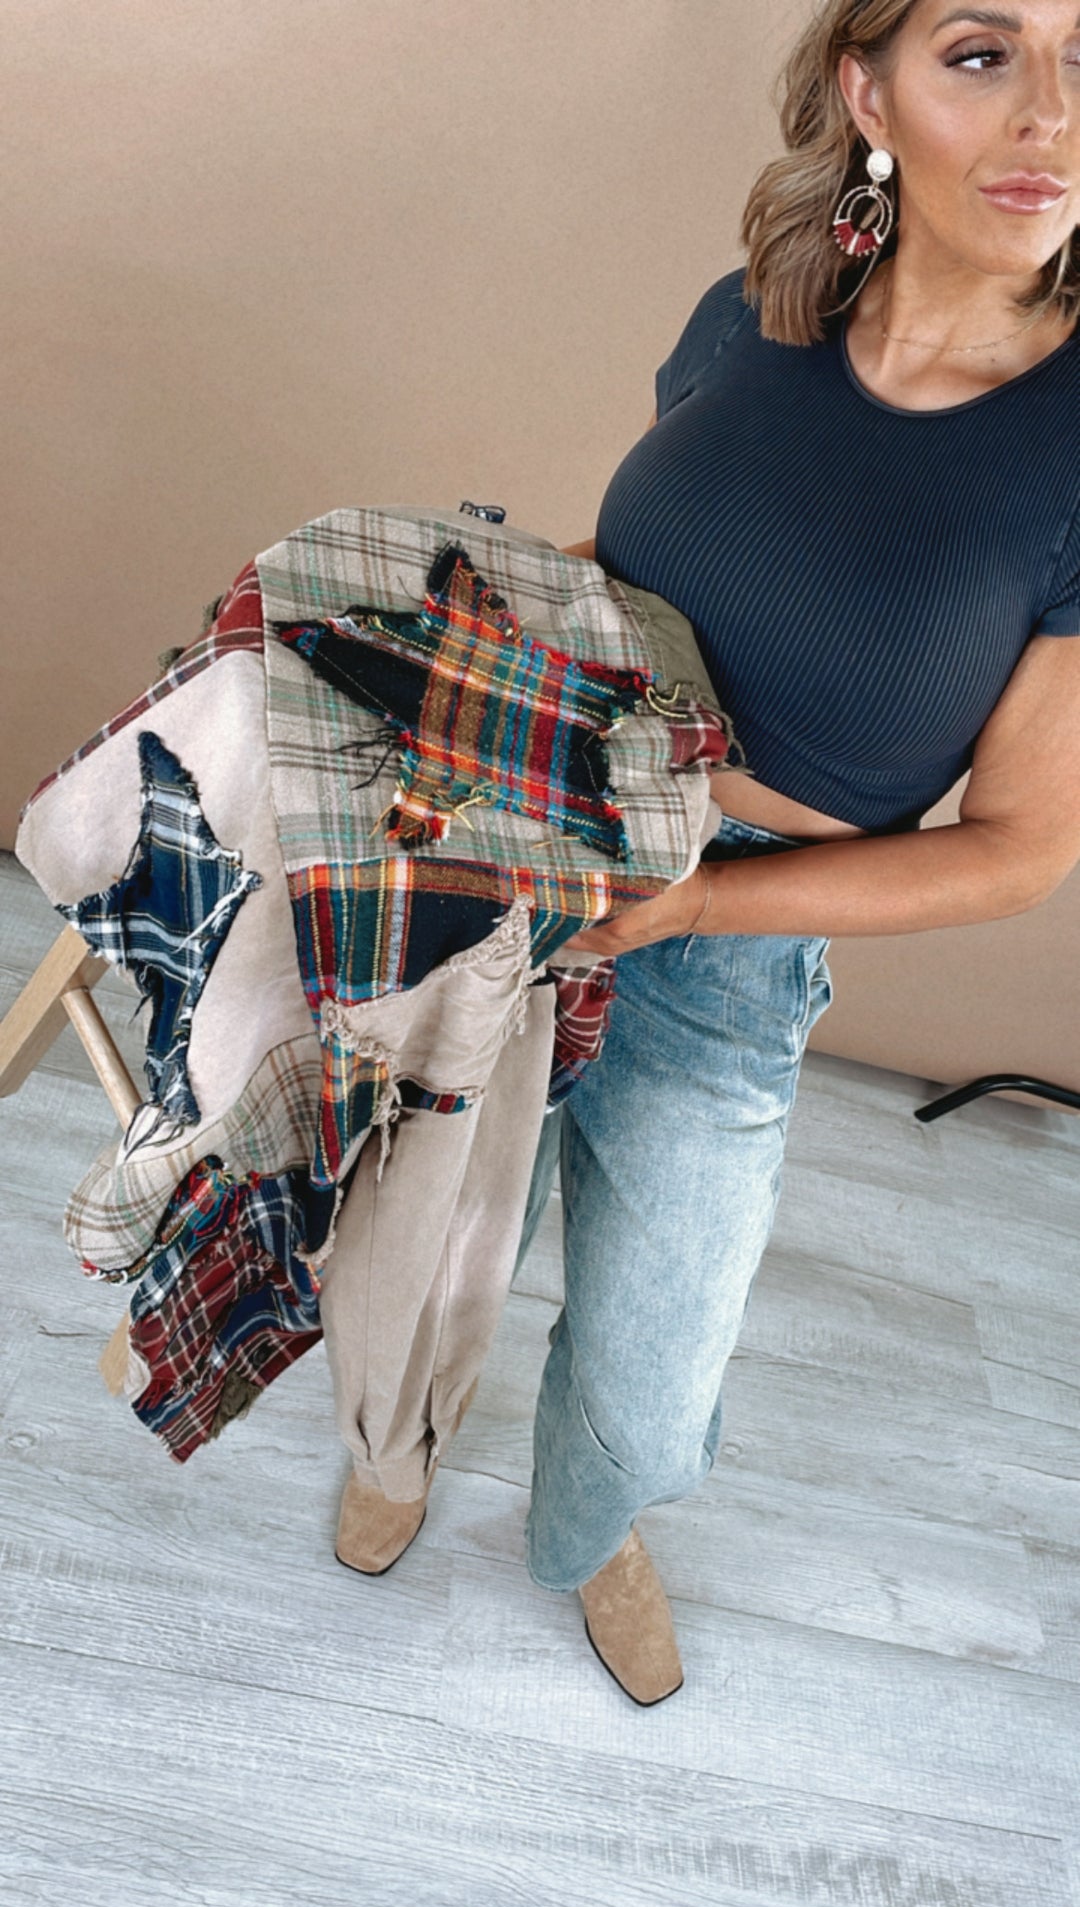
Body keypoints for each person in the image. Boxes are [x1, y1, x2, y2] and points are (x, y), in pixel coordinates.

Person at [340, 0, 1080, 1706]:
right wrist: (478, 641)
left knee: (657, 1371)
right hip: (527, 852)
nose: (1049, 110)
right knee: (424, 1232)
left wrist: (699, 902)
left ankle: (593, 1524)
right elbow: (651, 585)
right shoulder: (751, 313)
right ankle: (395, 1442)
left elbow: (1020, 848)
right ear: (867, 91)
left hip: (731, 945)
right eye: (983, 52)